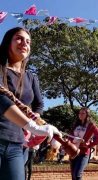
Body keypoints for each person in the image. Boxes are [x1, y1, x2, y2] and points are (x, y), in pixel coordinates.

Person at [0, 27, 61, 180]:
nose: (24, 43)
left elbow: (38, 104)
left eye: (28, 41)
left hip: (17, 143)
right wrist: (32, 125)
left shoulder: (31, 77)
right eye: (19, 38)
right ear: (8, 42)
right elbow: (2, 99)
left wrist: (35, 123)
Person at [69, 107, 98, 180]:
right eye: (79, 113)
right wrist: (72, 140)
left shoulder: (91, 125)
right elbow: (70, 136)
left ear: (87, 115)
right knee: (73, 176)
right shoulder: (76, 125)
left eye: (83, 113)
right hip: (73, 151)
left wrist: (89, 145)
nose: (80, 115)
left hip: (83, 153)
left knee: (77, 175)